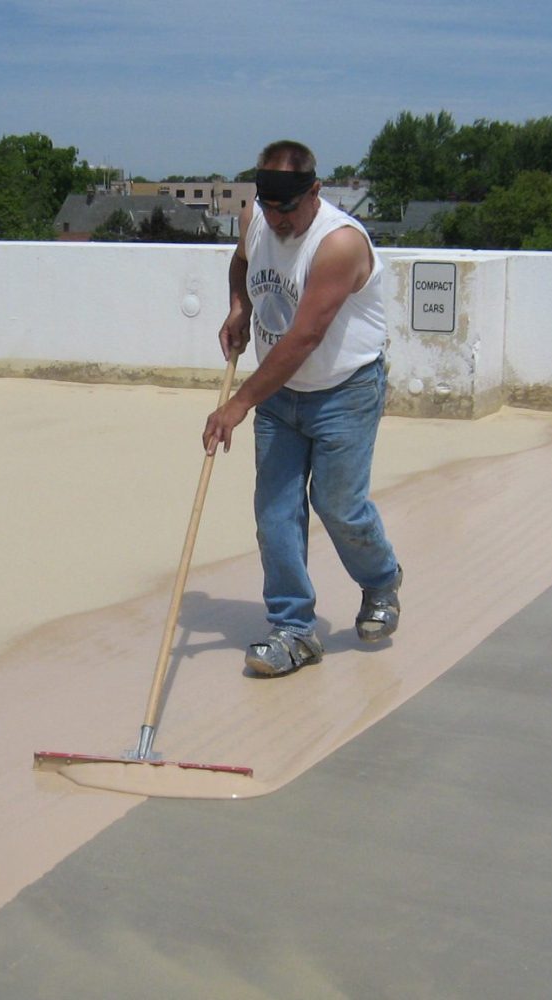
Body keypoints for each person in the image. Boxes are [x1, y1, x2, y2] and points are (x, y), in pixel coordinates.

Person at [202, 139, 402, 677]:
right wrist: (239, 307)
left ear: (315, 191)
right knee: (275, 515)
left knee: (338, 506)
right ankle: (293, 630)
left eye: (289, 209)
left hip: (344, 392)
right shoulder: (257, 219)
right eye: (269, 207)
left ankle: (381, 581)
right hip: (279, 397)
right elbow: (241, 263)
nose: (279, 221)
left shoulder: (339, 243)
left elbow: (306, 335)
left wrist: (239, 403)